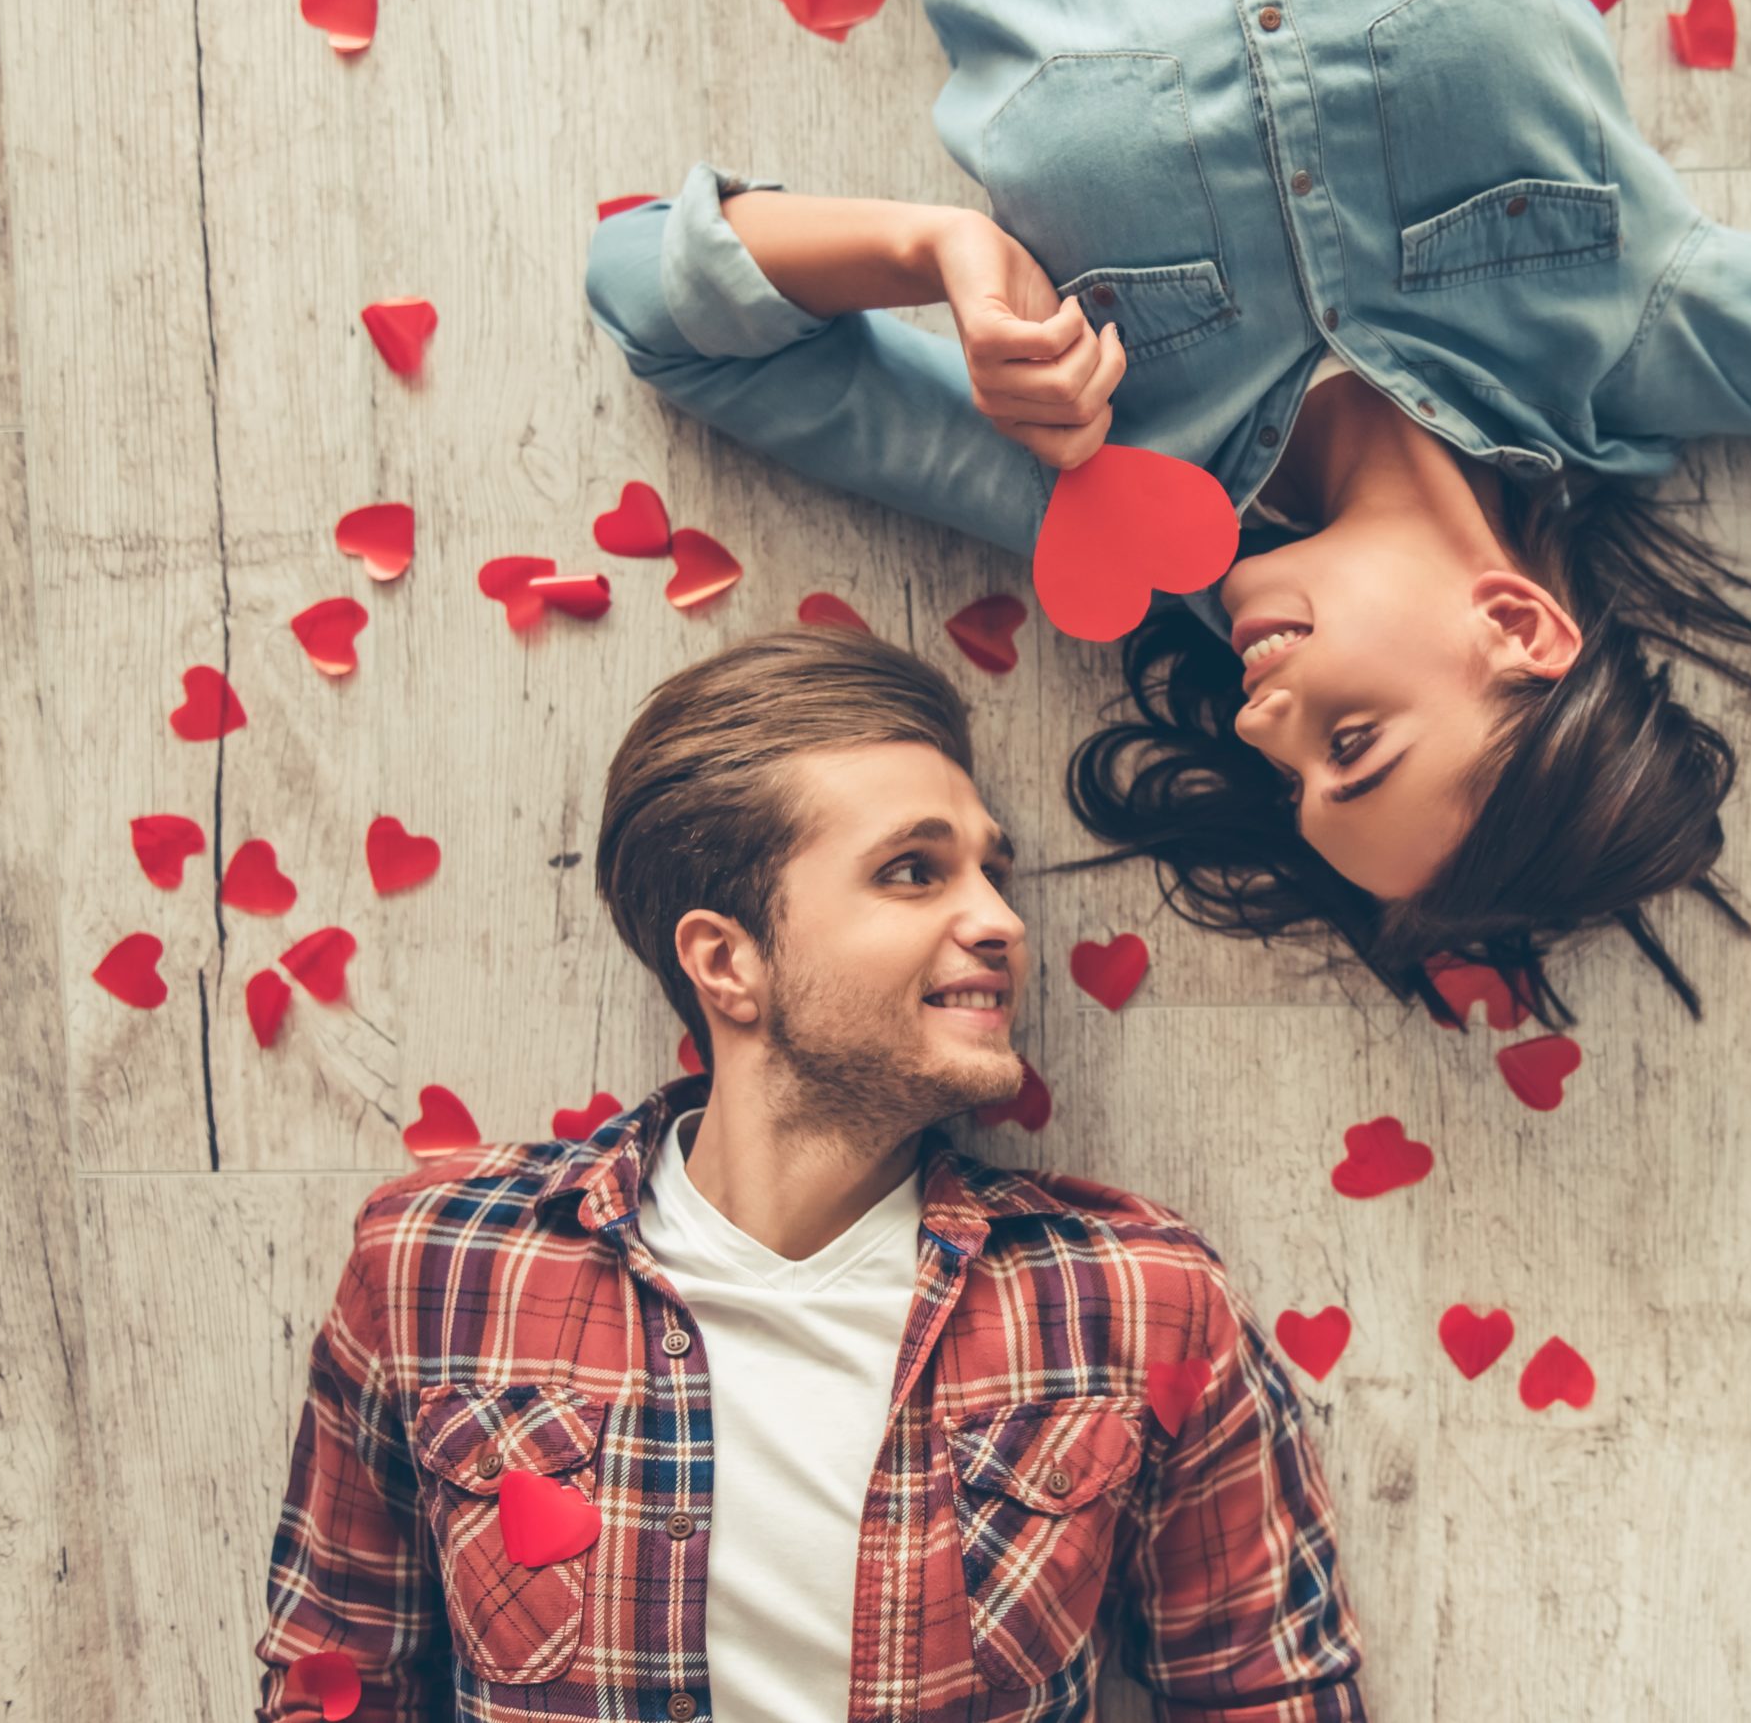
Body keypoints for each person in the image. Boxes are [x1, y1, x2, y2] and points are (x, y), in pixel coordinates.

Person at [583, 0, 1751, 1041]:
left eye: (1292, 777)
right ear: (1522, 627)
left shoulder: (1107, 493)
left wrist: (924, 249)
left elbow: (661, 308)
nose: (1266, 724)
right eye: (1354, 744)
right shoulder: (1624, 320)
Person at [250, 626, 1367, 1722]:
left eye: (991, 870)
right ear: (728, 962)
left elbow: (1267, 1692)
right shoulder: (439, 1268)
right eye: (913, 872)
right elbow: (337, 1681)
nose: (1001, 921)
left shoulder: (1135, 1300)